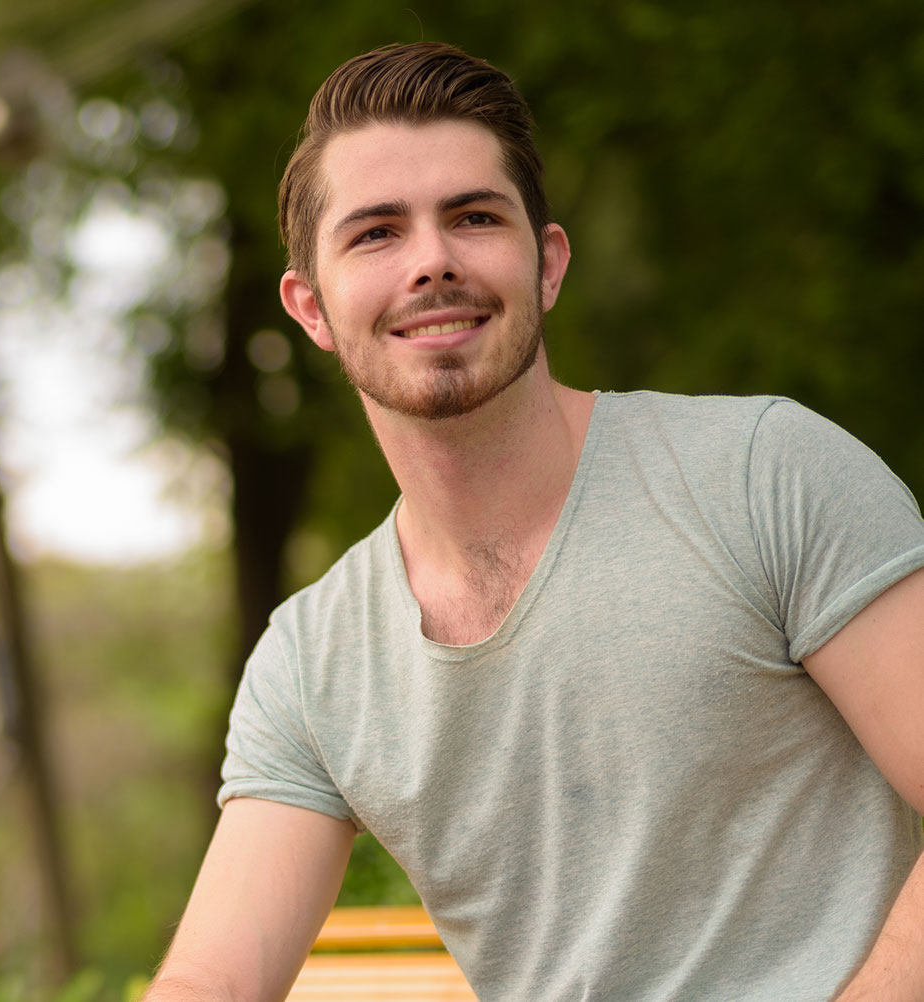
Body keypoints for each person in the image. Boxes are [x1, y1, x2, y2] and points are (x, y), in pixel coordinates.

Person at [144, 42, 924, 1002]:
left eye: (472, 218)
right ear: (310, 307)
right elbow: (212, 980)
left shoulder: (764, 474)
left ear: (546, 263)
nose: (432, 261)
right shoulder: (314, 661)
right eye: (377, 233)